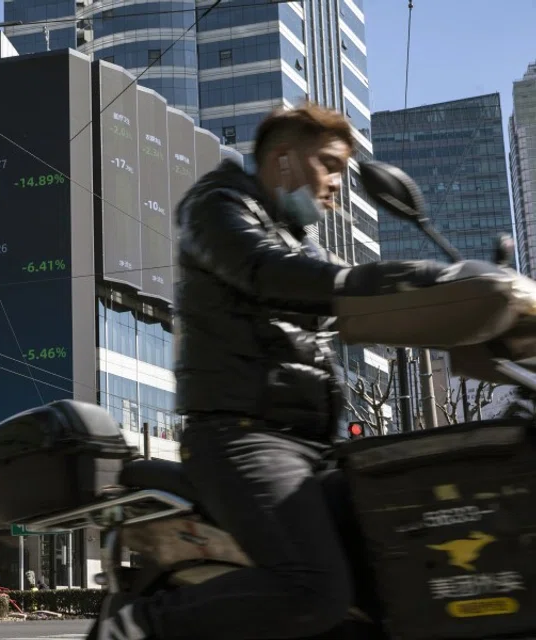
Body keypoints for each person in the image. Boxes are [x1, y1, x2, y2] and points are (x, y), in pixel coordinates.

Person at [97, 103, 458, 639]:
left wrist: (456, 303)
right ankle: (136, 628)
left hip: (311, 445)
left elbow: (339, 293)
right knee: (313, 588)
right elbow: (264, 270)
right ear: (285, 162)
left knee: (398, 566)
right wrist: (403, 275)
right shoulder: (217, 208)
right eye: (330, 164)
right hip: (241, 437)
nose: (338, 183)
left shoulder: (297, 238)